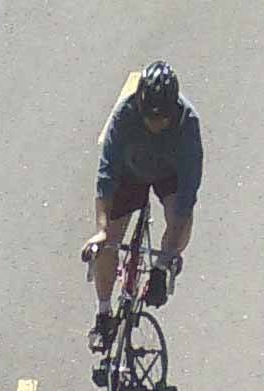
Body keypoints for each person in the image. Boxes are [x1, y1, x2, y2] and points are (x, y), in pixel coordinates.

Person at [81, 61, 203, 352]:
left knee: (181, 219)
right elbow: (106, 176)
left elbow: (187, 194)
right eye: (149, 117)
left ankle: (161, 267)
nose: (155, 124)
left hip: (169, 174)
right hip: (129, 171)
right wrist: (101, 232)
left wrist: (166, 259)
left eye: (162, 120)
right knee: (108, 242)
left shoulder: (188, 125)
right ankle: (103, 314)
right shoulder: (124, 115)